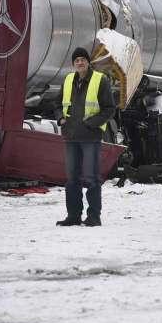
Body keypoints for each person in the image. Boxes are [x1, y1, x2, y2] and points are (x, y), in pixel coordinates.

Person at [55, 47, 116, 227]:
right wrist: (60, 119)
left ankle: (94, 216)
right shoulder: (67, 80)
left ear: (88, 62)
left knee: (91, 178)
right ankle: (73, 215)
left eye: (83, 59)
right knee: (72, 179)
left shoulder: (100, 80)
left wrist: (91, 123)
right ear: (73, 64)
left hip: (90, 137)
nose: (80, 63)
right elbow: (57, 104)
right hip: (71, 137)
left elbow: (109, 109)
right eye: (77, 60)